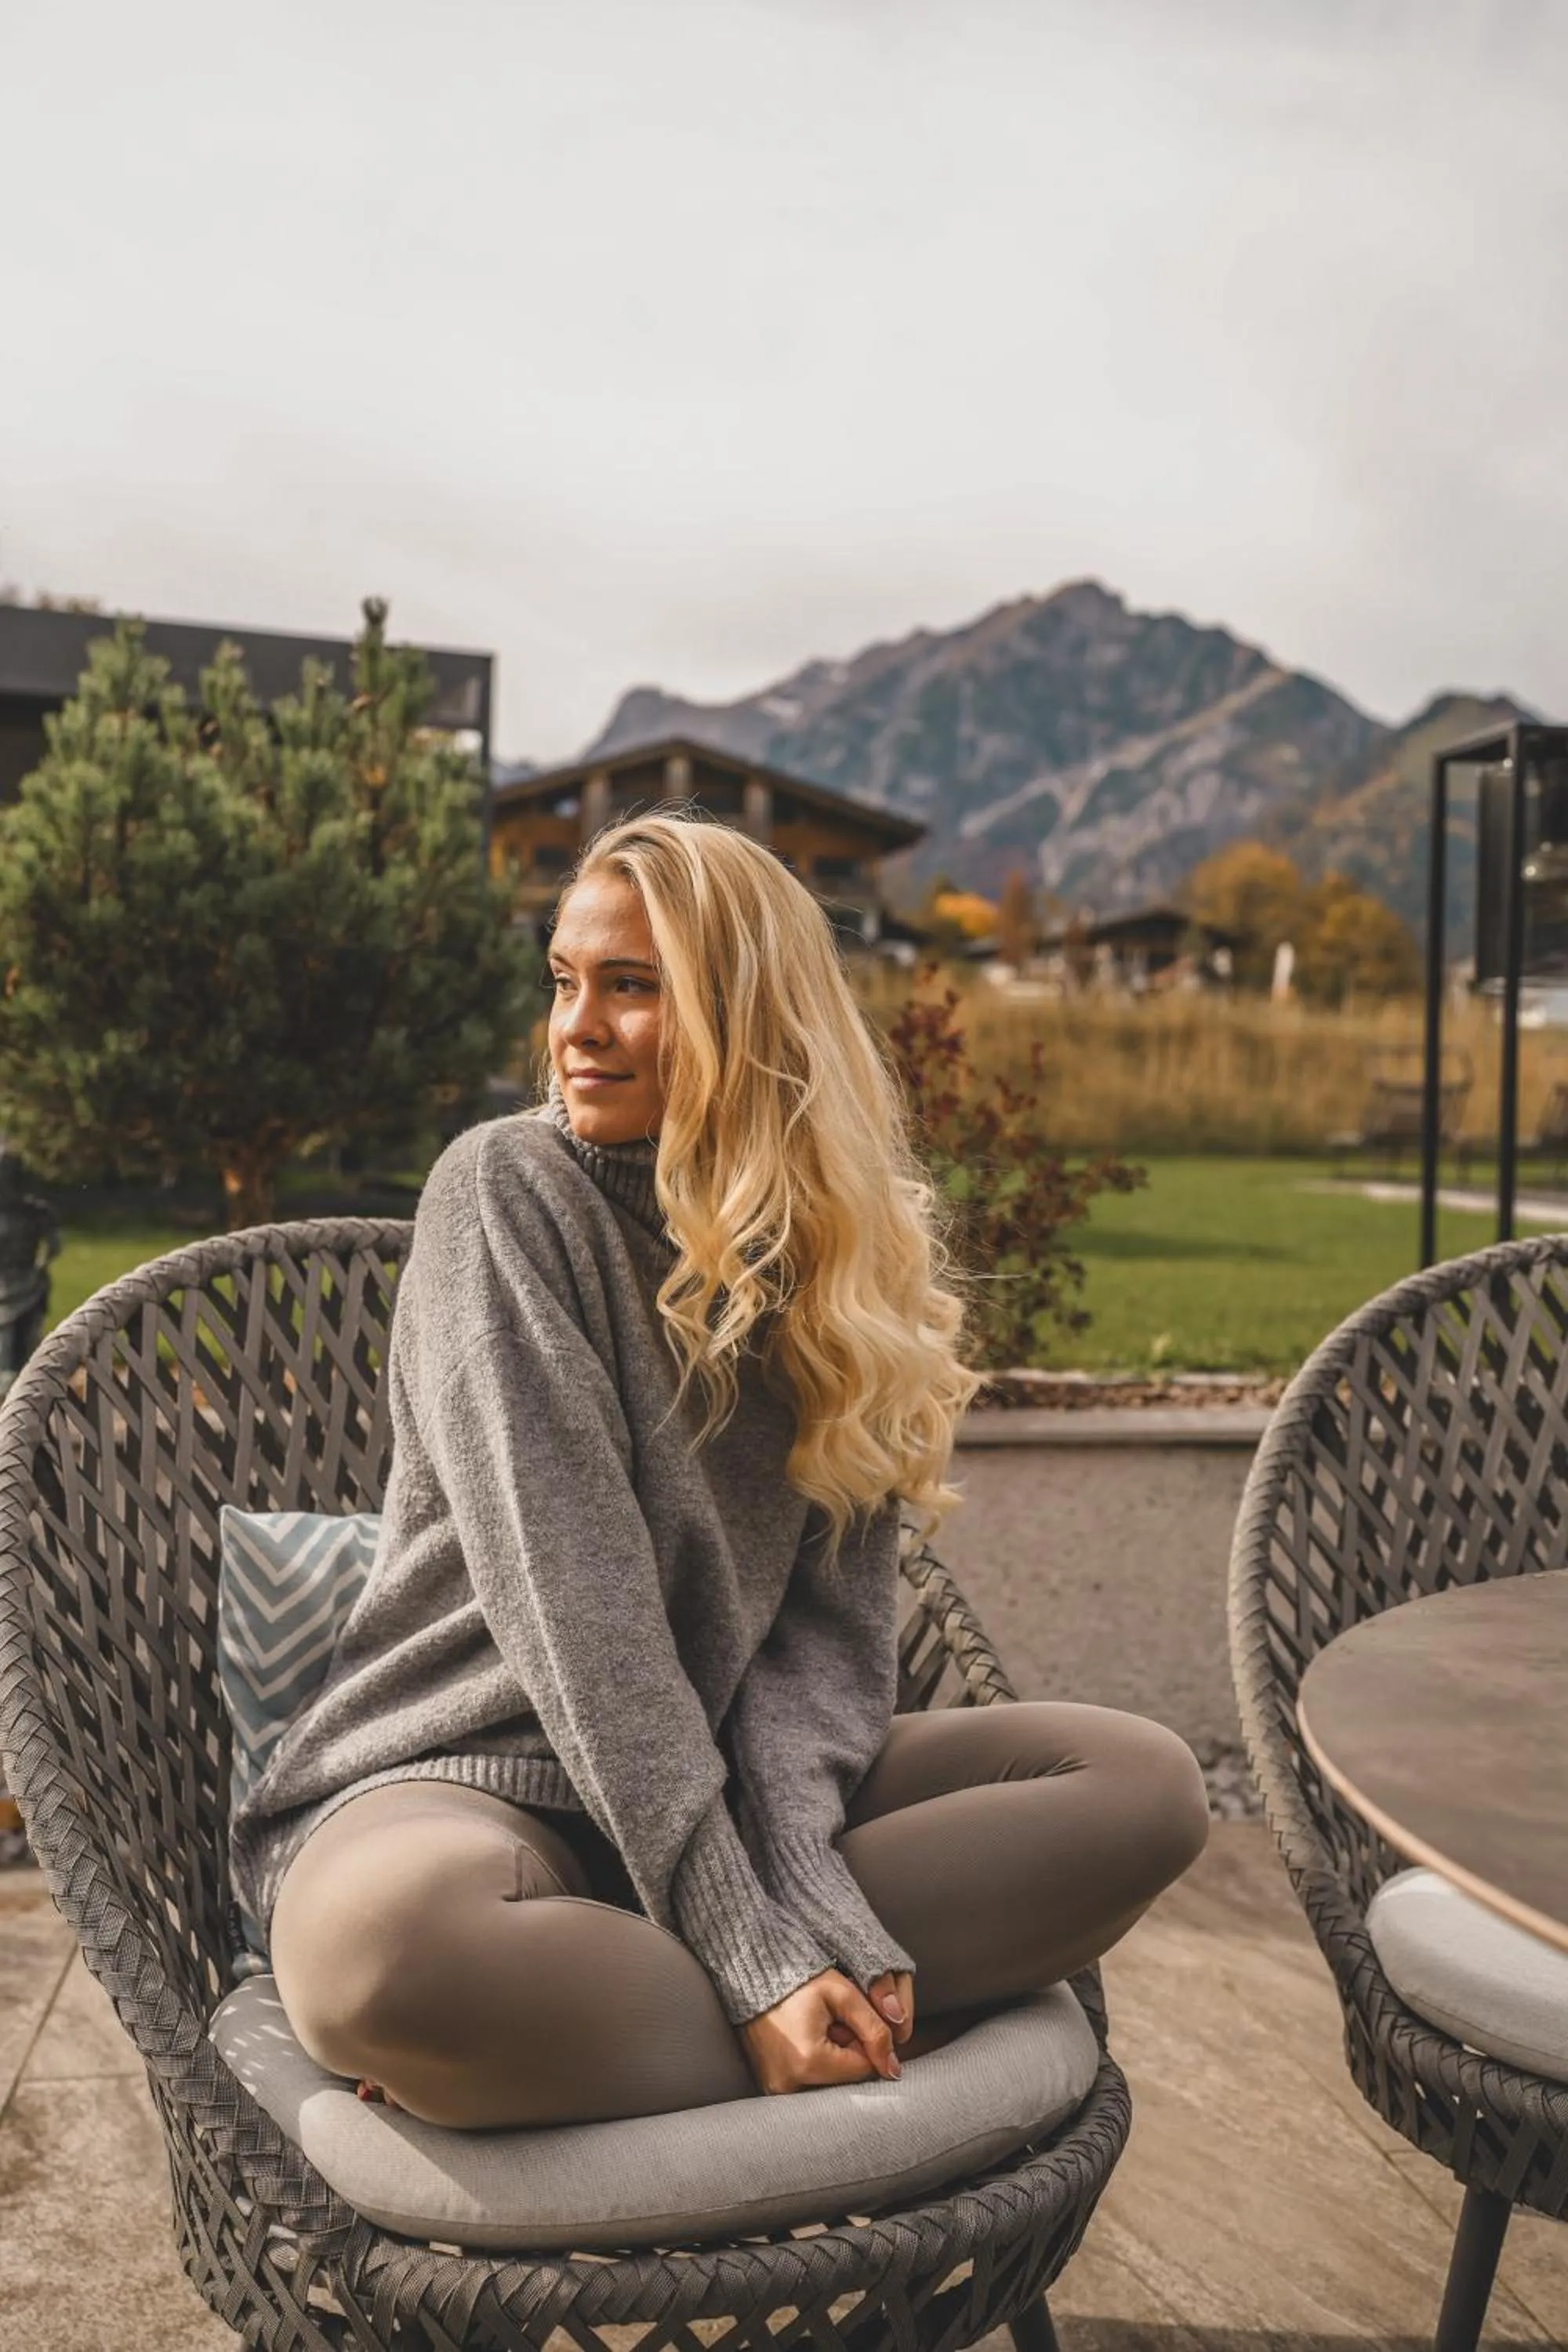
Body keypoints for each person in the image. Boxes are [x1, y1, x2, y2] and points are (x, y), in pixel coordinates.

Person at [227, 810, 1209, 2129]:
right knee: (390, 1956)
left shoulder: (828, 1272)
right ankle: (792, 2018)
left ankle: (571, 2046)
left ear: (750, 1015)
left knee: (1140, 1790)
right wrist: (752, 1953)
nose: (577, 1026)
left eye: (634, 988)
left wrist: (792, 1870)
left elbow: (824, 1645)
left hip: (733, 1798)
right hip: (467, 1786)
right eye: (567, 981)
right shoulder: (506, 1192)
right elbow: (573, 1602)